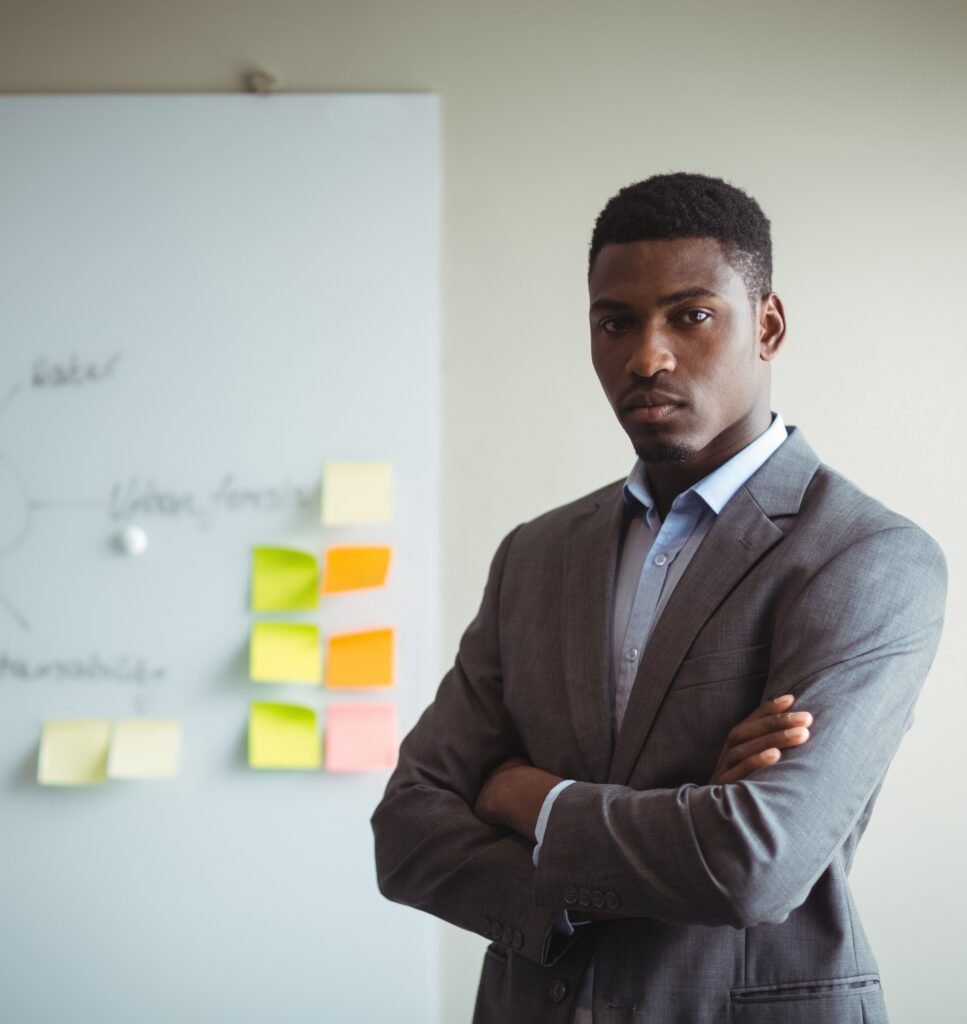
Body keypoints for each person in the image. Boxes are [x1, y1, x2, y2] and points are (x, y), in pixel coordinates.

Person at [371, 172, 947, 1023]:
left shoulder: (867, 556)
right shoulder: (534, 556)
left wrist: (526, 798)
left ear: (768, 325)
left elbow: (753, 861)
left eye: (691, 315)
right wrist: (679, 824)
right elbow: (407, 833)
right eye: (615, 323)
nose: (647, 357)